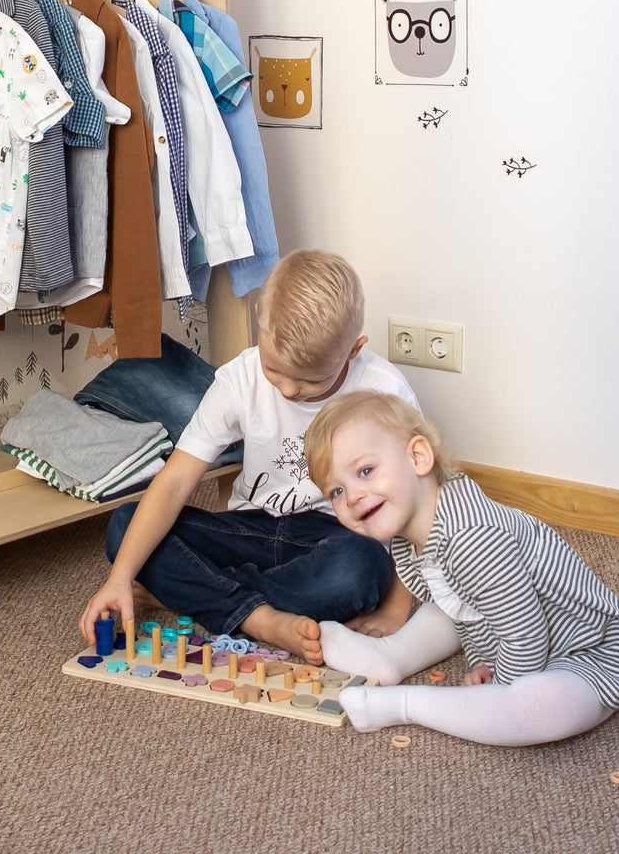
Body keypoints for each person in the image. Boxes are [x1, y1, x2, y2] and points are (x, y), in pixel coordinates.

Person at [78, 249, 420, 664]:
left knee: (361, 569)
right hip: (250, 529)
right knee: (125, 525)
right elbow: (174, 483)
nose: (289, 391)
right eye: (275, 371)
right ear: (260, 321)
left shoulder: (384, 392)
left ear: (353, 351)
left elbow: (415, 505)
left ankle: (202, 593)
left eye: (311, 380)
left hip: (336, 538)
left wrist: (397, 608)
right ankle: (261, 618)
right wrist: (119, 579)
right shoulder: (239, 378)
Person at [304, 390, 619, 746]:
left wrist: (501, 685)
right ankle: (392, 656)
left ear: (418, 457)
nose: (353, 496)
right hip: (517, 629)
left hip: (590, 654)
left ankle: (407, 704)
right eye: (336, 491)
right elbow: (469, 611)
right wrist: (485, 659)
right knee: (447, 604)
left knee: (536, 705)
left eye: (366, 471)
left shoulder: (472, 538)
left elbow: (525, 633)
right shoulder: (410, 541)